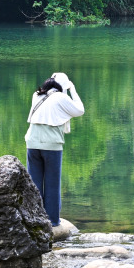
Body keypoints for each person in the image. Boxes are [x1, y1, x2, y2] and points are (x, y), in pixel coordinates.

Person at [25, 71, 84, 226]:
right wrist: (73, 90)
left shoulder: (36, 95)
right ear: (63, 87)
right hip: (51, 145)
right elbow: (80, 110)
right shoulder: (61, 97)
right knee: (52, 184)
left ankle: (34, 219)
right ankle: (52, 221)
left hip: (32, 142)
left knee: (34, 183)